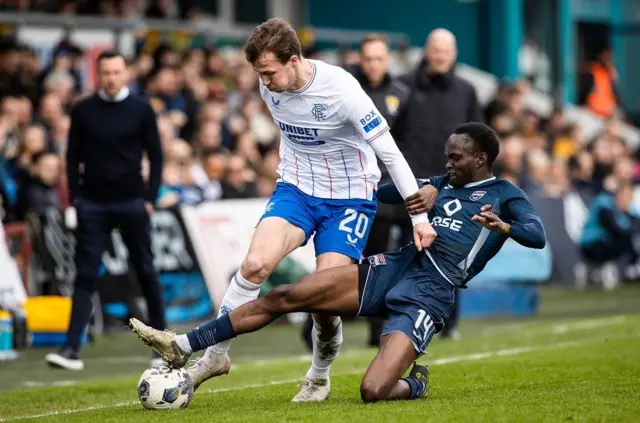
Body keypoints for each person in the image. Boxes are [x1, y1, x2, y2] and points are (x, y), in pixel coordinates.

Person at [129, 122, 546, 403]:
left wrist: (503, 227)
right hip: (397, 267)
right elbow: (381, 193)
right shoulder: (440, 184)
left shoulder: (505, 194)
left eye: (455, 158)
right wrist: (416, 190)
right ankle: (183, 345)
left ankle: (415, 383)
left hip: (431, 293)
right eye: (447, 157)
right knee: (289, 294)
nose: (448, 164)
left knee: (373, 390)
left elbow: (537, 235)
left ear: (480, 159)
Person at [179, 17, 436, 403]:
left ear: (294, 59)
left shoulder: (344, 91)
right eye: (258, 74)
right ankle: (215, 357)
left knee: (322, 299)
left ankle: (318, 375)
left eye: (269, 72)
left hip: (349, 199)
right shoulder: (270, 88)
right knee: (253, 266)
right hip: (297, 190)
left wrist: (418, 217)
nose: (264, 82)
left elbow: (390, 154)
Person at [45, 51, 166, 370]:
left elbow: (156, 155)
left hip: (132, 201)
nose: (111, 78)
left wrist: (150, 197)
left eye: (116, 72)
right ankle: (70, 349)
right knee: (84, 274)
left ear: (126, 73)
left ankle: (162, 345)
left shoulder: (141, 109)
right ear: (98, 75)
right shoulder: (84, 109)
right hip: (93, 204)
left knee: (145, 271)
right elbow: (71, 158)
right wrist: (75, 200)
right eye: (106, 73)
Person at [394, 28, 484, 340]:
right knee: (412, 252)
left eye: (446, 50)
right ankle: (407, 319)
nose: (441, 56)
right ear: (426, 51)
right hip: (413, 188)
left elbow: (480, 138)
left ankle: (448, 322)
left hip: (453, 188)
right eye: (436, 49)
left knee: (453, 254)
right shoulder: (402, 86)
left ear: (454, 54)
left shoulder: (466, 90)